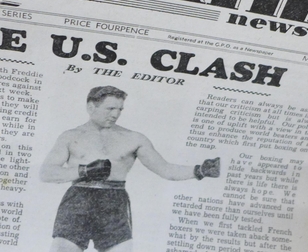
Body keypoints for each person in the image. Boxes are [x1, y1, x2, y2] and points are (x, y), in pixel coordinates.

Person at [40, 85, 220, 252]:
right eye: (110, 108)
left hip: (114, 201)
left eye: (120, 109)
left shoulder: (133, 138)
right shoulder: (70, 136)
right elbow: (46, 173)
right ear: (91, 107)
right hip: (78, 199)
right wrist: (83, 171)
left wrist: (200, 170)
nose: (115, 114)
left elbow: (166, 170)